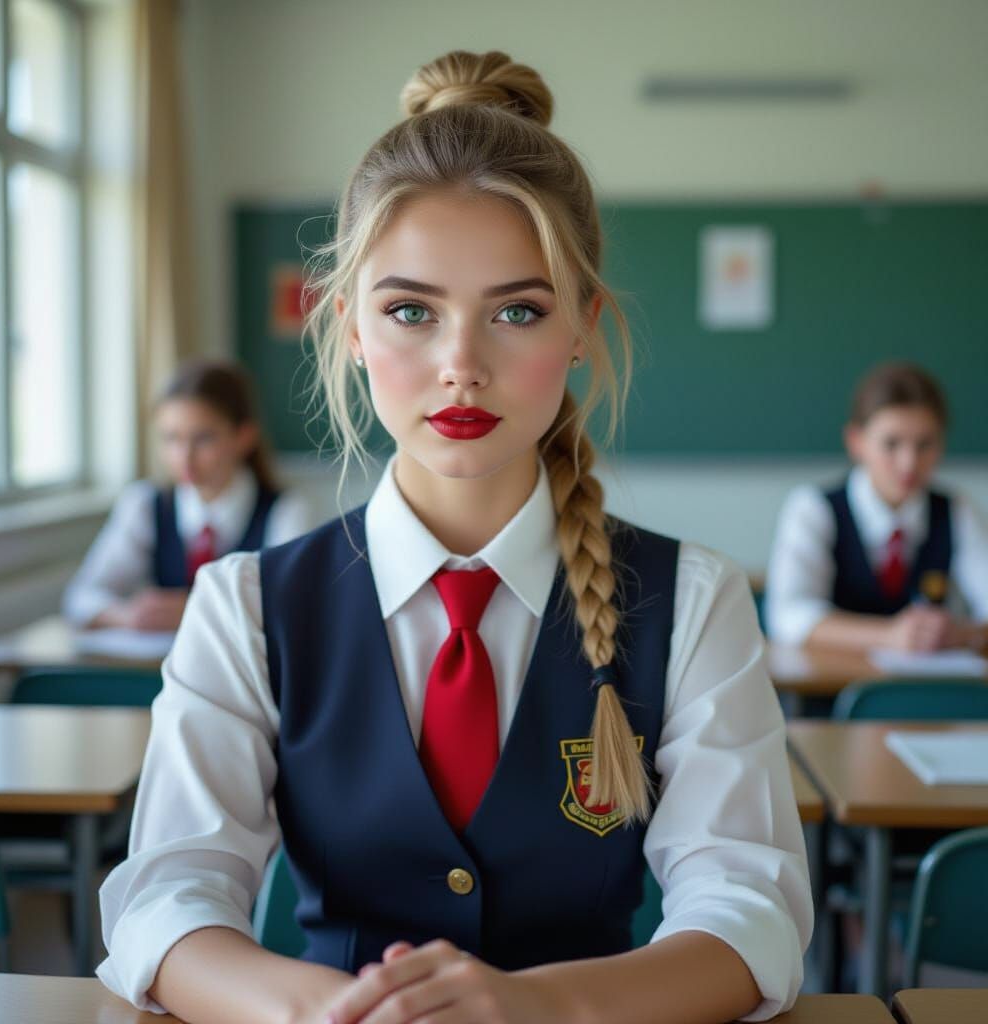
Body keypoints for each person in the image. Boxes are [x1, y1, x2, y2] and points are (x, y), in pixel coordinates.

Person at [97, 51, 811, 1024]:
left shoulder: (691, 600)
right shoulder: (246, 605)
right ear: (350, 327)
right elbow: (163, 906)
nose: (461, 364)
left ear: (582, 326)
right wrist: (340, 1015)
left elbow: (752, 914)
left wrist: (539, 1010)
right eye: (410, 311)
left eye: (517, 310)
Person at [63, 359, 314, 632]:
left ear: (244, 437)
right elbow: (81, 597)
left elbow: (294, 606)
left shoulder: (285, 511)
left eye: (203, 438)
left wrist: (195, 609)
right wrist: (128, 616)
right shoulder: (145, 504)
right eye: (171, 438)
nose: (184, 457)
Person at [766, 361, 988, 652]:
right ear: (856, 442)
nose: (909, 463)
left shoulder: (956, 510)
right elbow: (788, 617)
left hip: (929, 680)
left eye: (924, 444)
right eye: (891, 444)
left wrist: (959, 634)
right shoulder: (813, 509)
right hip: (832, 680)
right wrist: (888, 635)